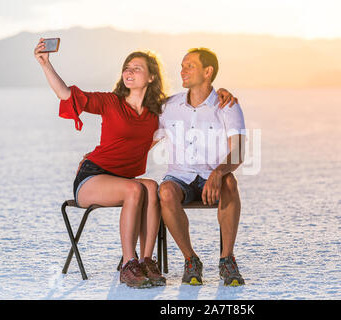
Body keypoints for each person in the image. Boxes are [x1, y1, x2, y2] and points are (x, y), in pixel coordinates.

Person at [34, 39, 236, 288]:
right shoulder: (110, 102)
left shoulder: (157, 111)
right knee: (134, 189)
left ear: (151, 77)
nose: (129, 71)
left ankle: (147, 261)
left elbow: (192, 103)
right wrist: (46, 64)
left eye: (137, 68)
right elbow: (66, 94)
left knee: (151, 187)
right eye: (126, 67)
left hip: (123, 179)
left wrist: (221, 93)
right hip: (93, 177)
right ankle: (129, 264)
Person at [154, 48, 246, 286]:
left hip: (211, 178)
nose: (182, 70)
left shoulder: (228, 106)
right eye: (182, 65)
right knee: (165, 192)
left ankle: (227, 260)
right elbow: (143, 140)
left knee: (229, 182)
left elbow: (237, 152)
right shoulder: (168, 107)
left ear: (208, 71)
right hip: (179, 178)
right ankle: (191, 260)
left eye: (189, 66)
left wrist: (218, 172)